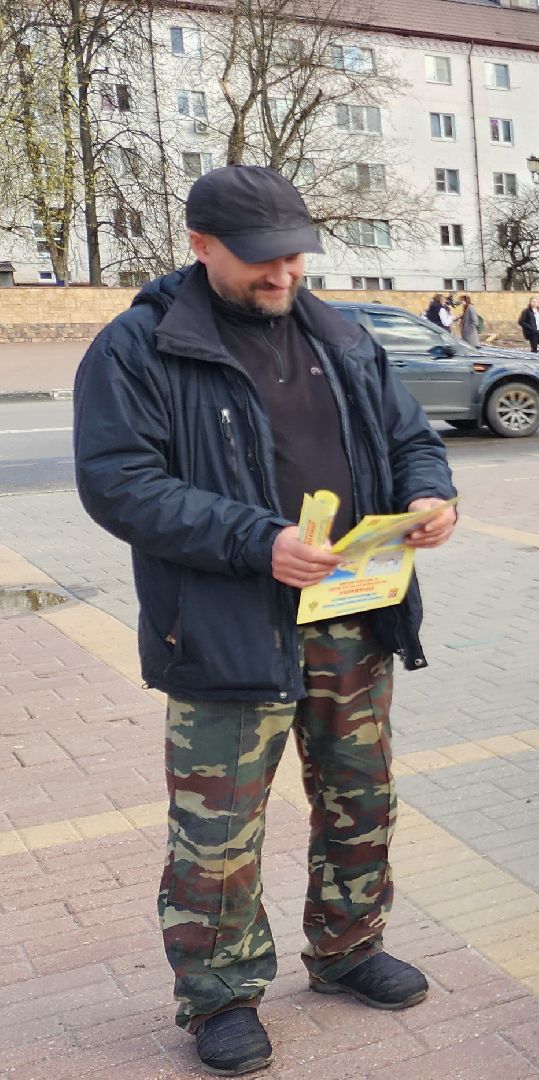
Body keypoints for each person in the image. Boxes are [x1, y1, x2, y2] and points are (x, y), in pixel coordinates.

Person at [71, 165, 458, 1077]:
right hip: (224, 628)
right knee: (219, 832)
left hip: (352, 612)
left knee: (362, 796)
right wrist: (258, 540)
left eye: (294, 255)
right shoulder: (139, 347)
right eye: (260, 260)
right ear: (200, 245)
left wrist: (427, 494)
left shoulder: (342, 334)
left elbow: (409, 437)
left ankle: (349, 947)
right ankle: (220, 996)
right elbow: (119, 484)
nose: (282, 274)